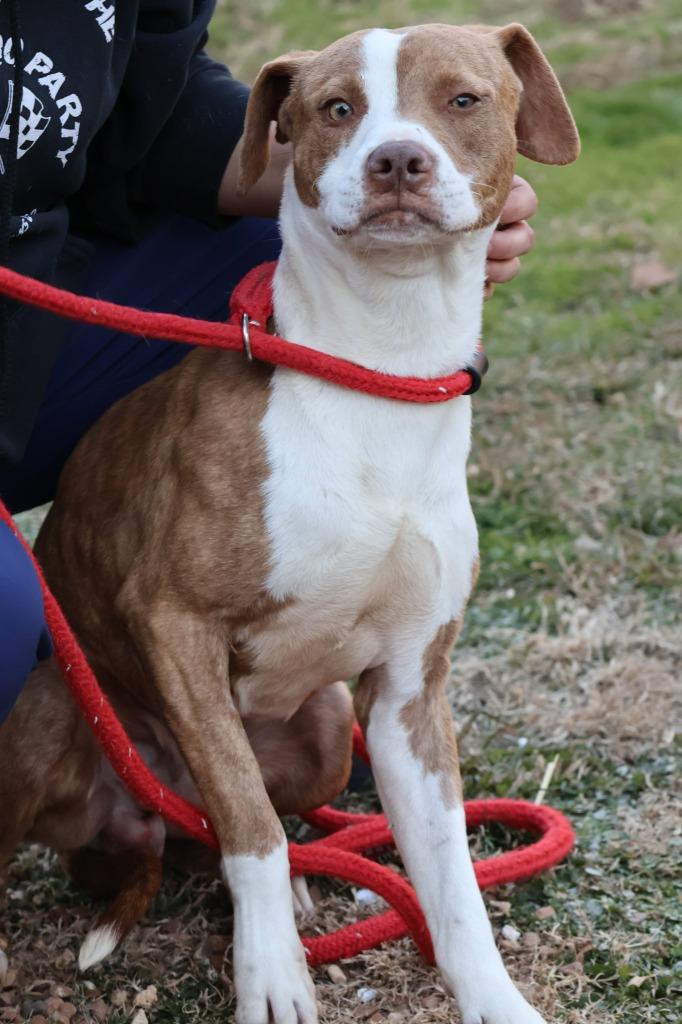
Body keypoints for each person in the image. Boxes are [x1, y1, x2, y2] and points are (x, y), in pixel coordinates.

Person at [0, 0, 537, 723]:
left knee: (307, 245)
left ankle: (322, 611)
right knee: (5, 629)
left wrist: (412, 184)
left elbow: (159, 108)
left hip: (26, 322)